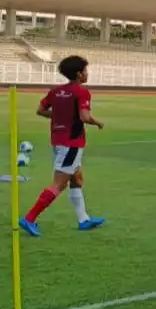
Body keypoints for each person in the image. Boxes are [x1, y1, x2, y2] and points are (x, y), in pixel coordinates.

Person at [19, 55, 105, 237]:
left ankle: (83, 220)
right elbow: (84, 117)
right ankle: (29, 218)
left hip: (58, 140)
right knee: (59, 184)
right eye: (85, 71)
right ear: (79, 74)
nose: (87, 74)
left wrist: (59, 117)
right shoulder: (81, 92)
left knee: (77, 178)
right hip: (72, 144)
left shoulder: (55, 91)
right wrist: (97, 122)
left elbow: (40, 110)